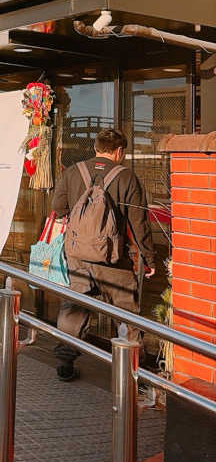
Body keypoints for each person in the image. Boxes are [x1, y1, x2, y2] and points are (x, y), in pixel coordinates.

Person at [51, 127, 155, 382]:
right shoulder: (127, 177)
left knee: (74, 306)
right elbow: (138, 223)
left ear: (96, 148)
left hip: (77, 254)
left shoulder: (74, 171)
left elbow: (57, 208)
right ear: (119, 151)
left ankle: (65, 362)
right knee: (126, 309)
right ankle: (131, 371)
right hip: (113, 258)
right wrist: (149, 258)